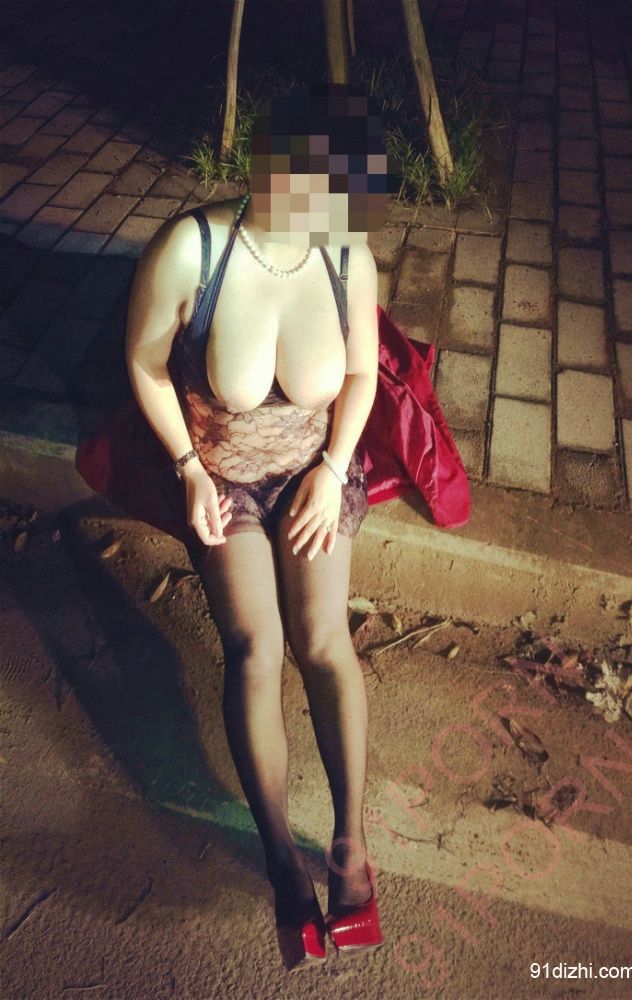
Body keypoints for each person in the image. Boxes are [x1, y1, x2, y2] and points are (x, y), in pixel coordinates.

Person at [124, 82, 396, 960]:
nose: (325, 206)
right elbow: (145, 363)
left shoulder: (347, 255)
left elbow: (360, 374)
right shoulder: (192, 248)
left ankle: (350, 850)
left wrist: (330, 469)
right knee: (256, 648)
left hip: (314, 471)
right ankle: (281, 862)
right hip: (224, 479)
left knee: (323, 640)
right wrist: (186, 468)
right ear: (268, 164)